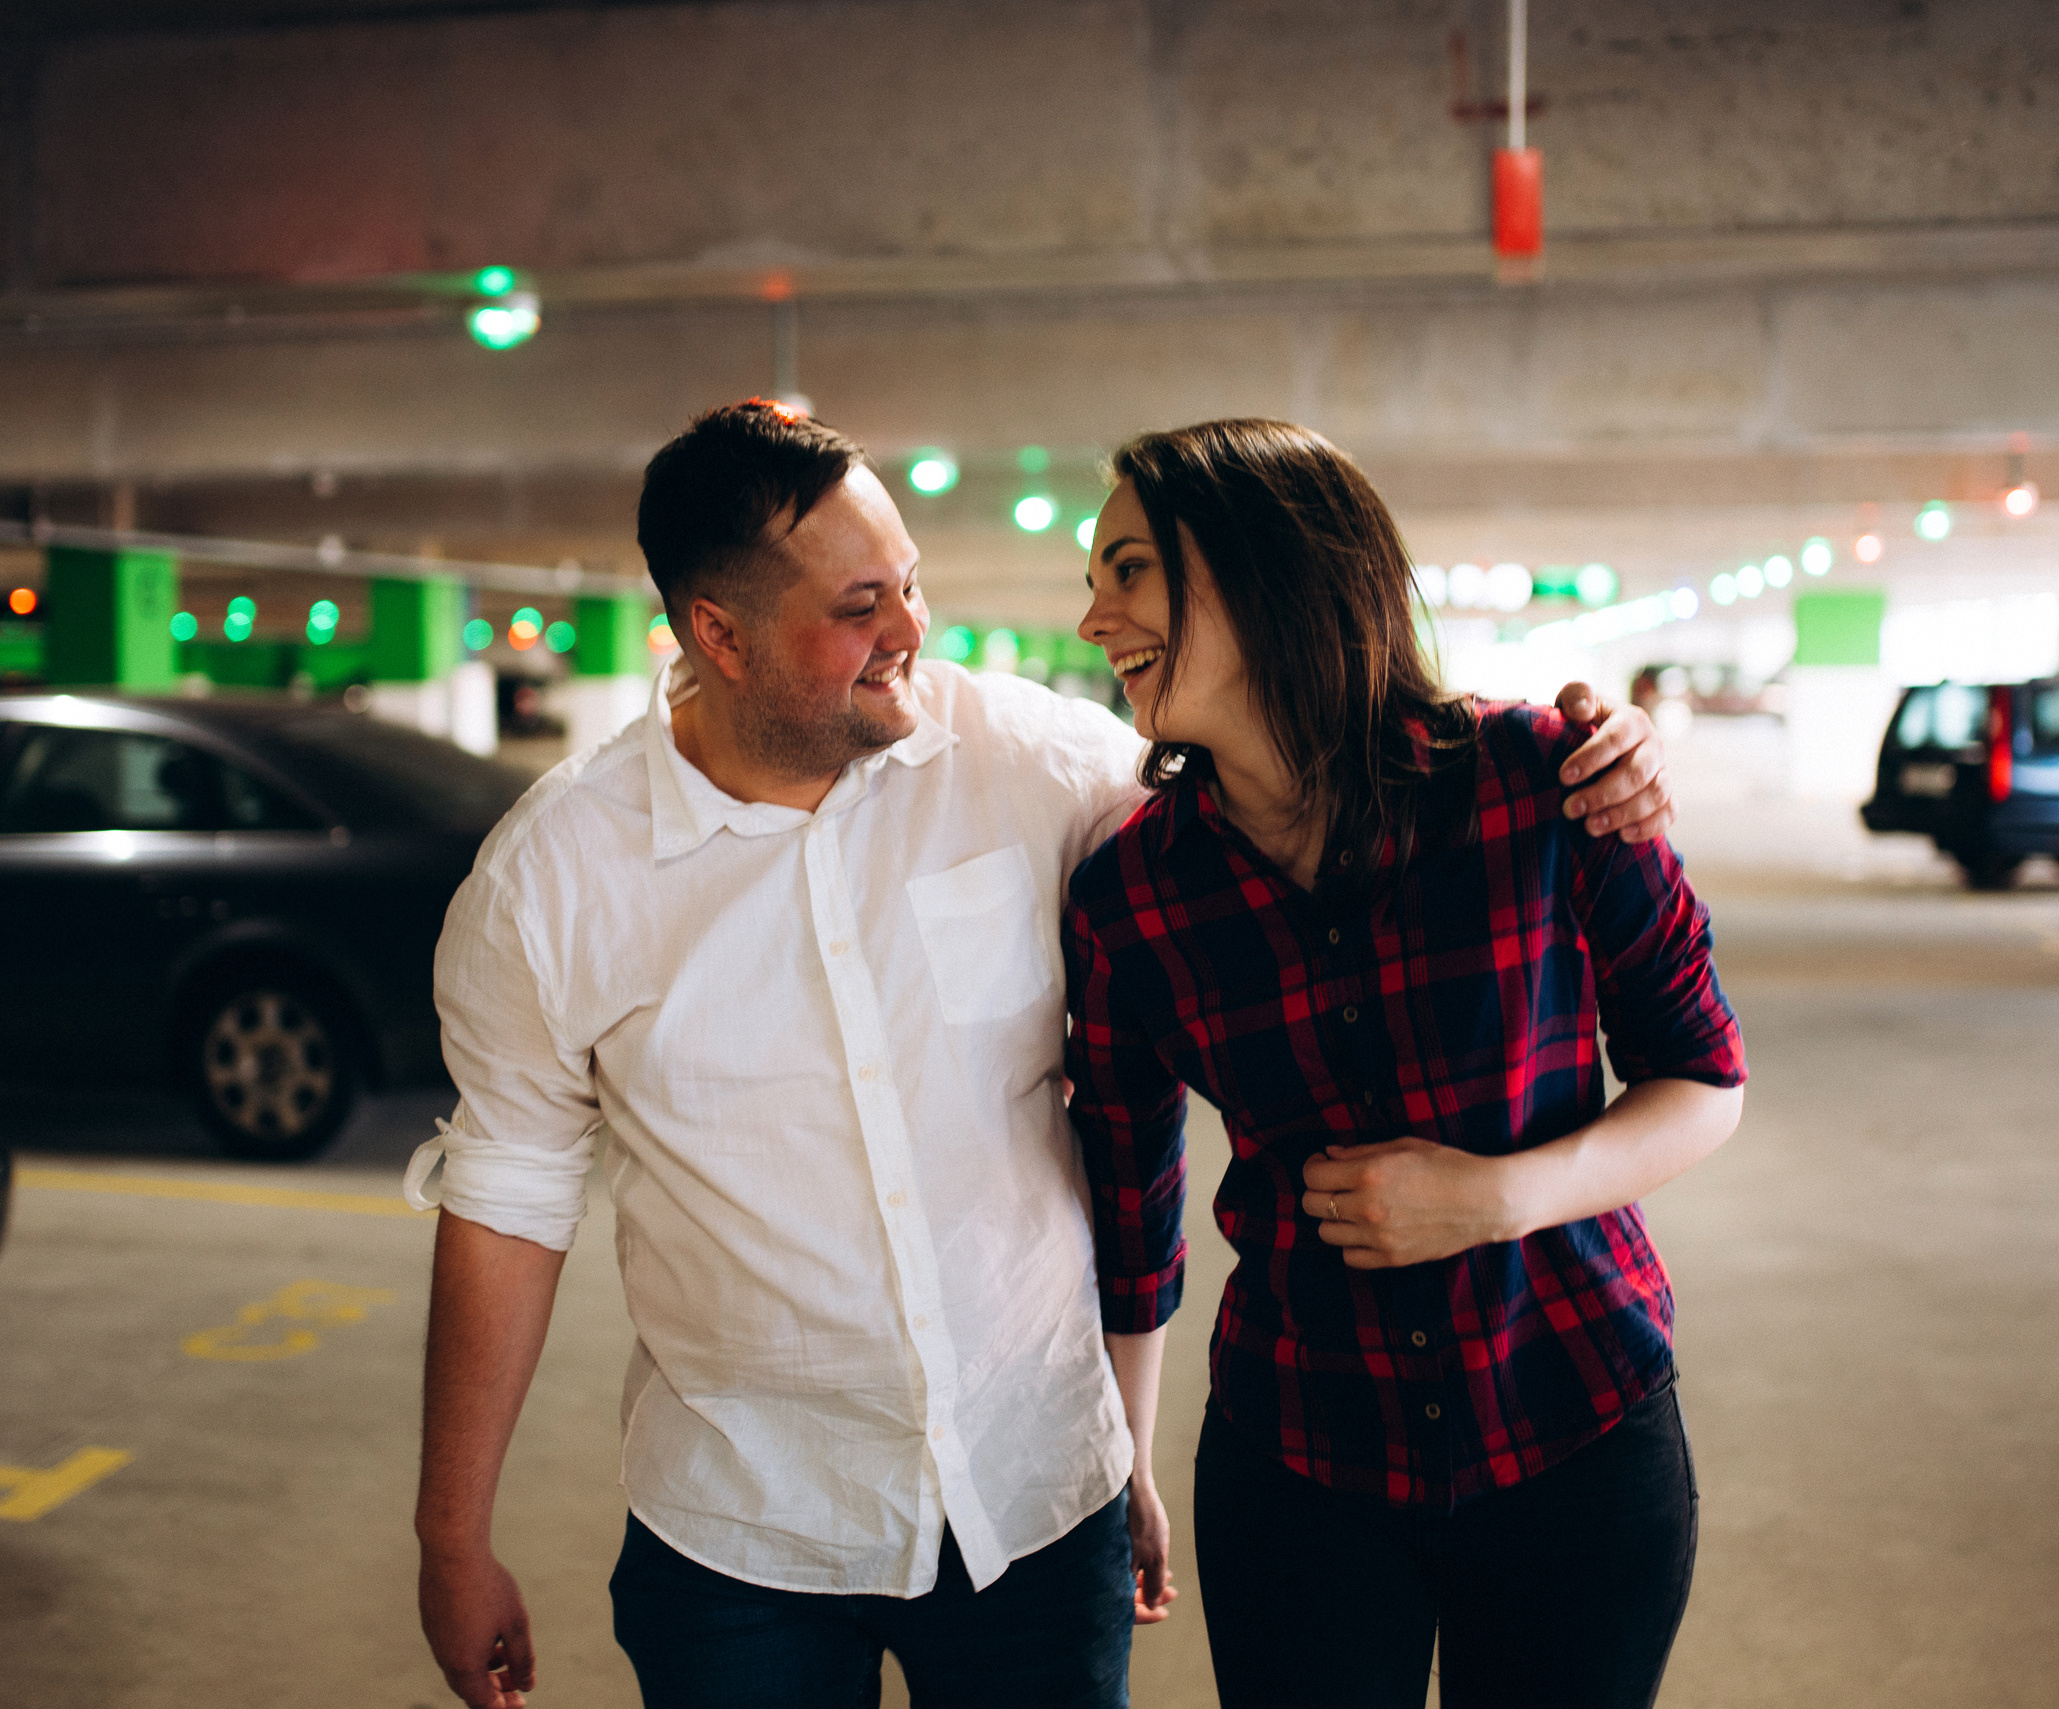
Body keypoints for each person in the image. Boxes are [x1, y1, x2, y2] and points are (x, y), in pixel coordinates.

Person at [406, 401, 1677, 1709]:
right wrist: (452, 1536)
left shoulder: (1035, 762)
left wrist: (1586, 751)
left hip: (1033, 1503)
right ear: (716, 634)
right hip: (745, 1529)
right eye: (859, 606)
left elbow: (1286, 769)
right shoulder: (557, 877)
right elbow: (508, 1198)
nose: (909, 629)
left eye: (910, 583)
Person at [1063, 418, 1746, 1709]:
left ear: (1266, 568)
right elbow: (1130, 1204)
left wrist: (1493, 1198)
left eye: (1131, 569)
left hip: (1573, 1421)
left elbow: (1704, 1077)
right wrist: (1127, 1457)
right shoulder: (1134, 895)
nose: (1097, 617)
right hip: (1300, 1456)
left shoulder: (1540, 780)